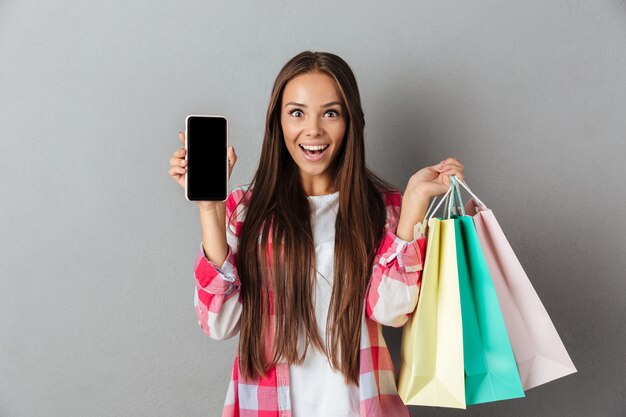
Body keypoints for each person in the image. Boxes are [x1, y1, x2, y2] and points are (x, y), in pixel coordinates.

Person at [168, 51, 465, 417]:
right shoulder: (245, 209)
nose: (313, 130)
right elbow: (219, 323)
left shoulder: (384, 206)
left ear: (350, 121)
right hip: (266, 407)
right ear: (278, 122)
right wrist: (210, 209)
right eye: (297, 113)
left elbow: (389, 312)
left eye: (330, 113)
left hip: (359, 407)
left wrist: (415, 201)